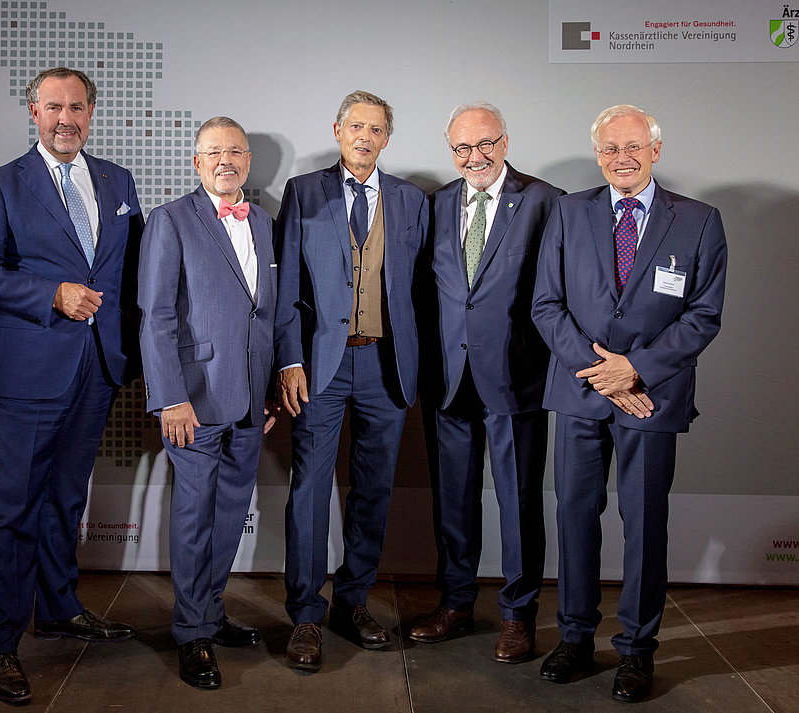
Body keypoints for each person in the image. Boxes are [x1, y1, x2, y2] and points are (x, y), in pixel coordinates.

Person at [0, 66, 143, 705]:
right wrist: (48, 294)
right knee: (12, 509)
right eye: (54, 107)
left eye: (78, 108)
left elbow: (131, 276)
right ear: (33, 112)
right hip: (29, 367)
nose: (67, 119)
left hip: (98, 366)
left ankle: (59, 606)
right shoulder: (1, 184)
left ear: (92, 112)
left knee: (66, 497)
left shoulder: (119, 182)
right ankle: (1, 643)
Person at [531, 104, 727, 702]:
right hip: (580, 391)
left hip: (651, 397)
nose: (623, 157)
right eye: (611, 148)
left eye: (634, 147)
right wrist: (601, 374)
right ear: (598, 155)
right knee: (573, 518)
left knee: (643, 525)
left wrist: (635, 370)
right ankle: (574, 637)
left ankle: (638, 650)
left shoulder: (698, 220)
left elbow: (703, 316)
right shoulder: (568, 211)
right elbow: (546, 304)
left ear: (656, 150)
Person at [274, 90, 428, 672]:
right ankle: (306, 616)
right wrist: (288, 359)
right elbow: (286, 280)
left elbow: (422, 292)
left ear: (388, 138)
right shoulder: (304, 192)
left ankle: (353, 602)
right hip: (321, 365)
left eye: (377, 129)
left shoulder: (412, 200)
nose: (365, 137)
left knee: (374, 491)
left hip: (387, 365)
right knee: (310, 489)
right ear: (338, 130)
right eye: (355, 126)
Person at [408, 103, 563, 663]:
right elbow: (428, 291)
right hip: (449, 378)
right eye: (462, 148)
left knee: (520, 501)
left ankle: (518, 615)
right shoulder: (439, 202)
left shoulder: (546, 202)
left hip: (516, 377)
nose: (475, 157)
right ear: (451, 151)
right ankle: (454, 603)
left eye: (485, 144)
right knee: (453, 499)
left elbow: (558, 289)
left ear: (505, 140)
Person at [138, 117, 277, 689]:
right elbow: (156, 315)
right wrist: (170, 396)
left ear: (248, 162)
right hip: (192, 400)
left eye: (236, 152)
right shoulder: (170, 220)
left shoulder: (265, 221)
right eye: (214, 152)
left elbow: (266, 312)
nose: (226, 160)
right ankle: (192, 634)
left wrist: (267, 389)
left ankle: (210, 613)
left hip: (249, 398)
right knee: (195, 518)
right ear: (197, 163)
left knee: (226, 517)